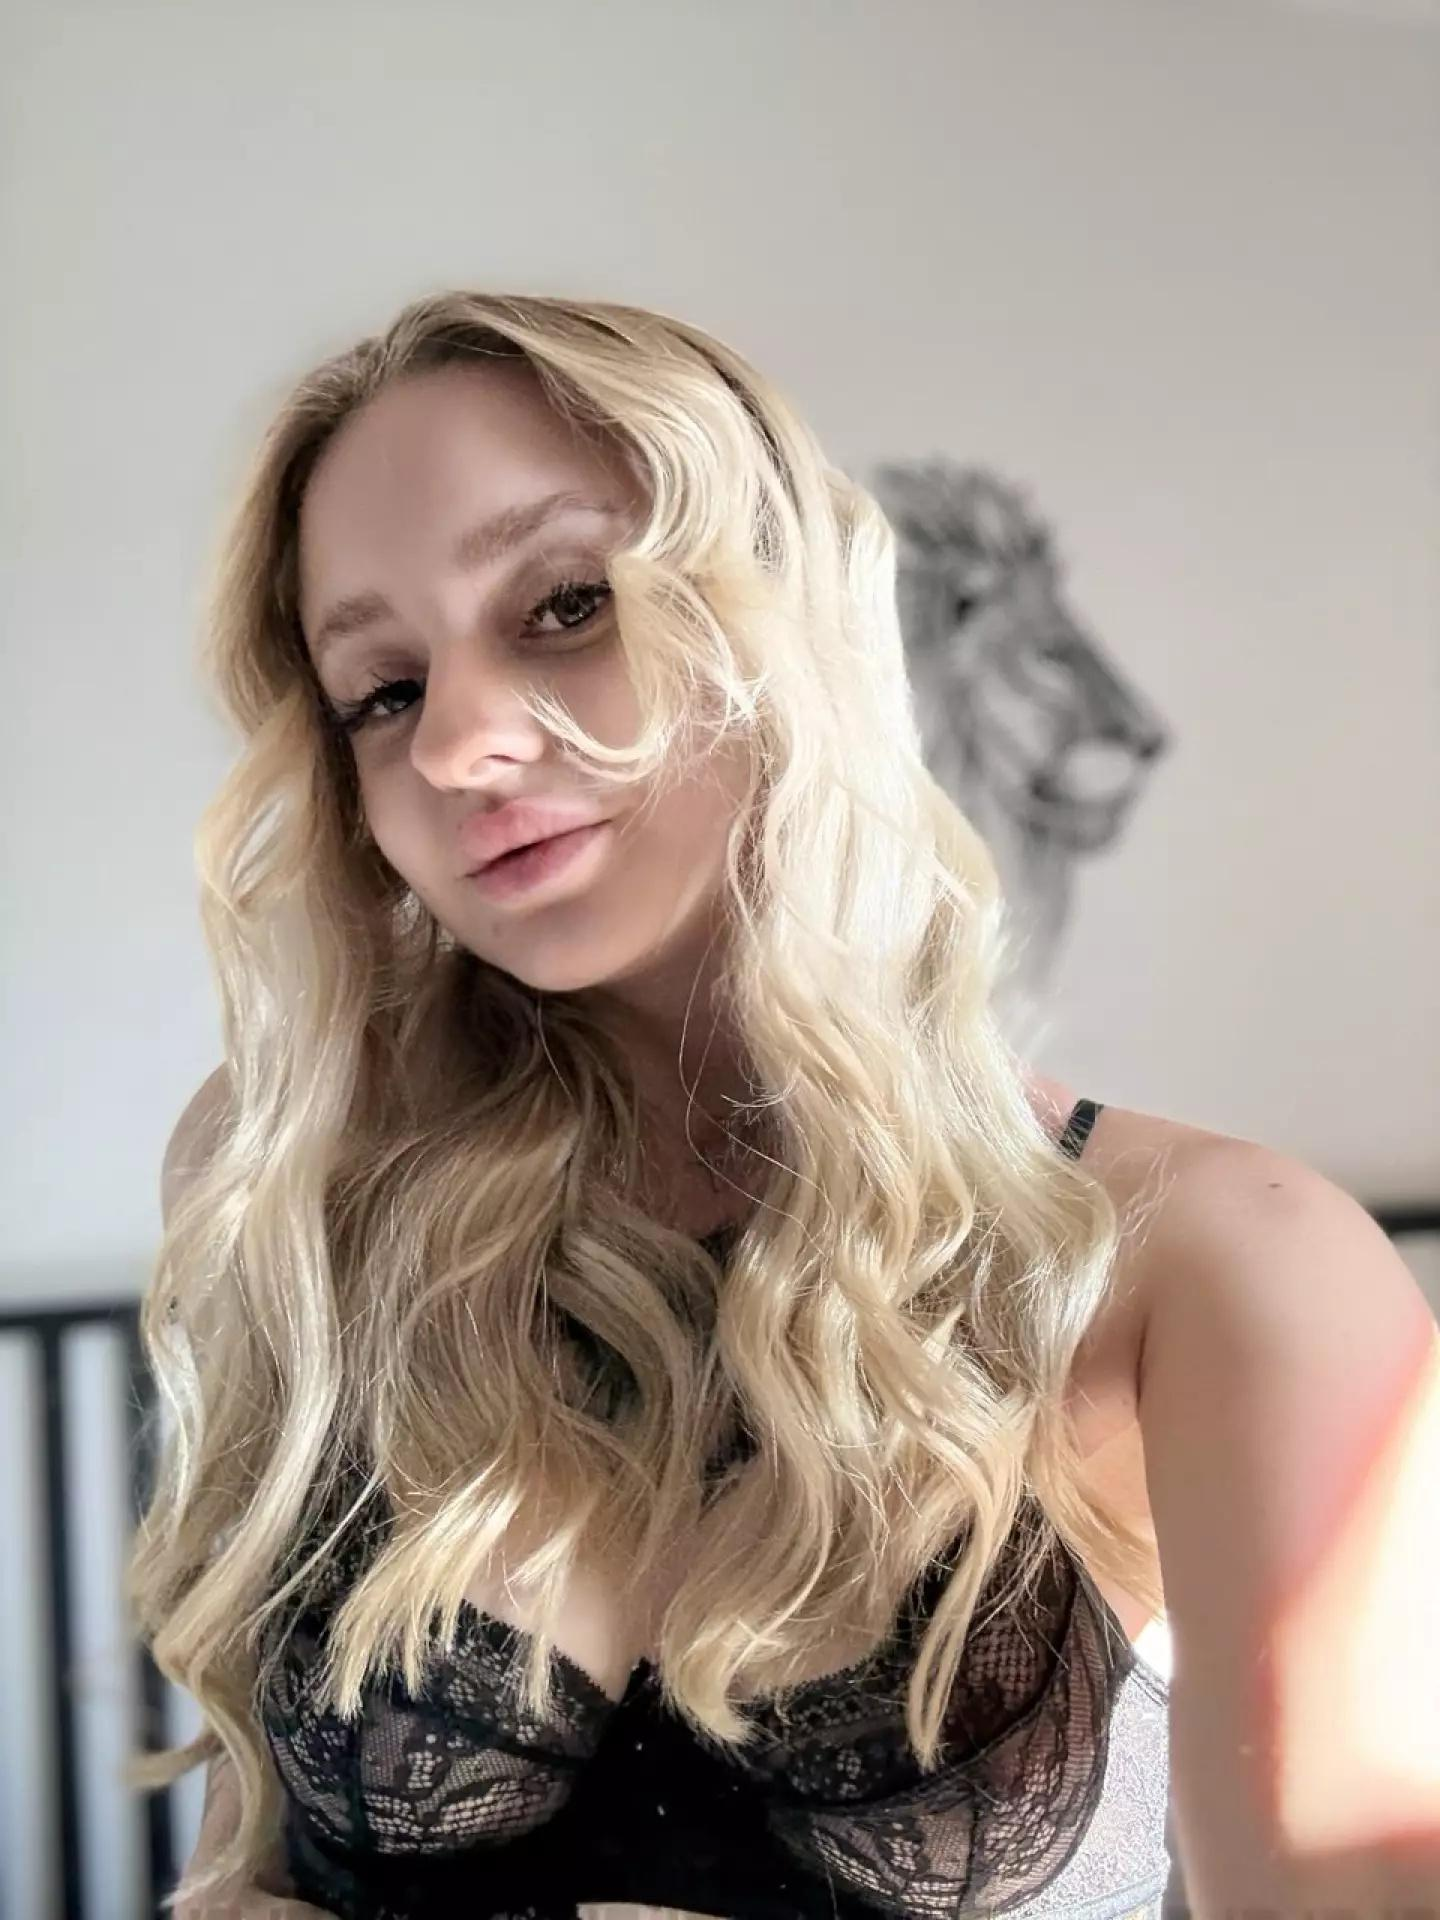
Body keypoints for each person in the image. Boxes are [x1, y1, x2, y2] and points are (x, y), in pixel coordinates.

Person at [128, 291, 1440, 1920]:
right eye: (382, 692)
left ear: (787, 619)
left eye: (565, 604)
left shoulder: (1223, 1268)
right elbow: (242, 1870)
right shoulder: (296, 1177)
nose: (458, 743)